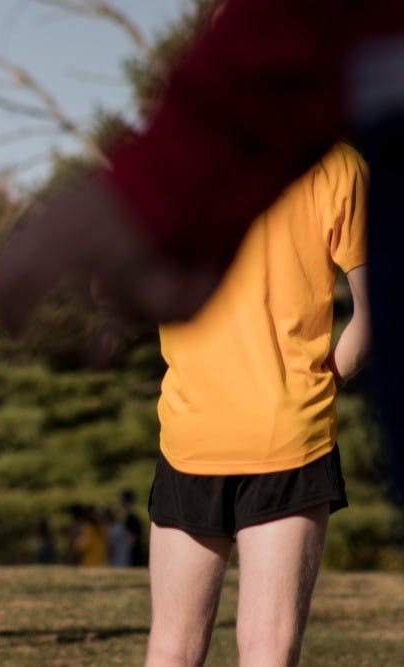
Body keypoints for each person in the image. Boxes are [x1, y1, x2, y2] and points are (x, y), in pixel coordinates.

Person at [0, 0, 404, 498]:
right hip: (187, 441)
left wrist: (318, 387)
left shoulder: (338, 170)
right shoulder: (238, 154)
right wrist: (144, 192)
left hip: (291, 439)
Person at [145, 142, 369, 666]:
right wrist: (322, 383)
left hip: (191, 427)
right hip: (290, 431)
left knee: (171, 647)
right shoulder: (335, 164)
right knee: (268, 646)